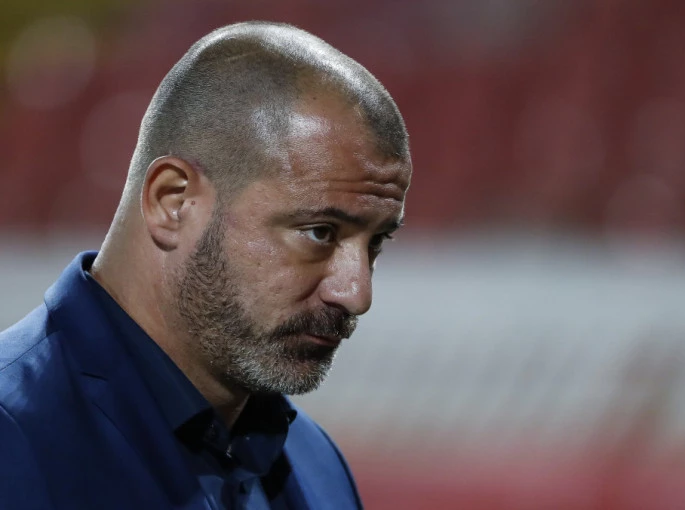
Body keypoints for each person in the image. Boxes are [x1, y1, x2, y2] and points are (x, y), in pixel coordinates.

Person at [0, 21, 411, 510]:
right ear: (173, 202)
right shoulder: (13, 439)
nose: (357, 294)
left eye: (376, 242)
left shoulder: (320, 468)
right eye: (320, 232)